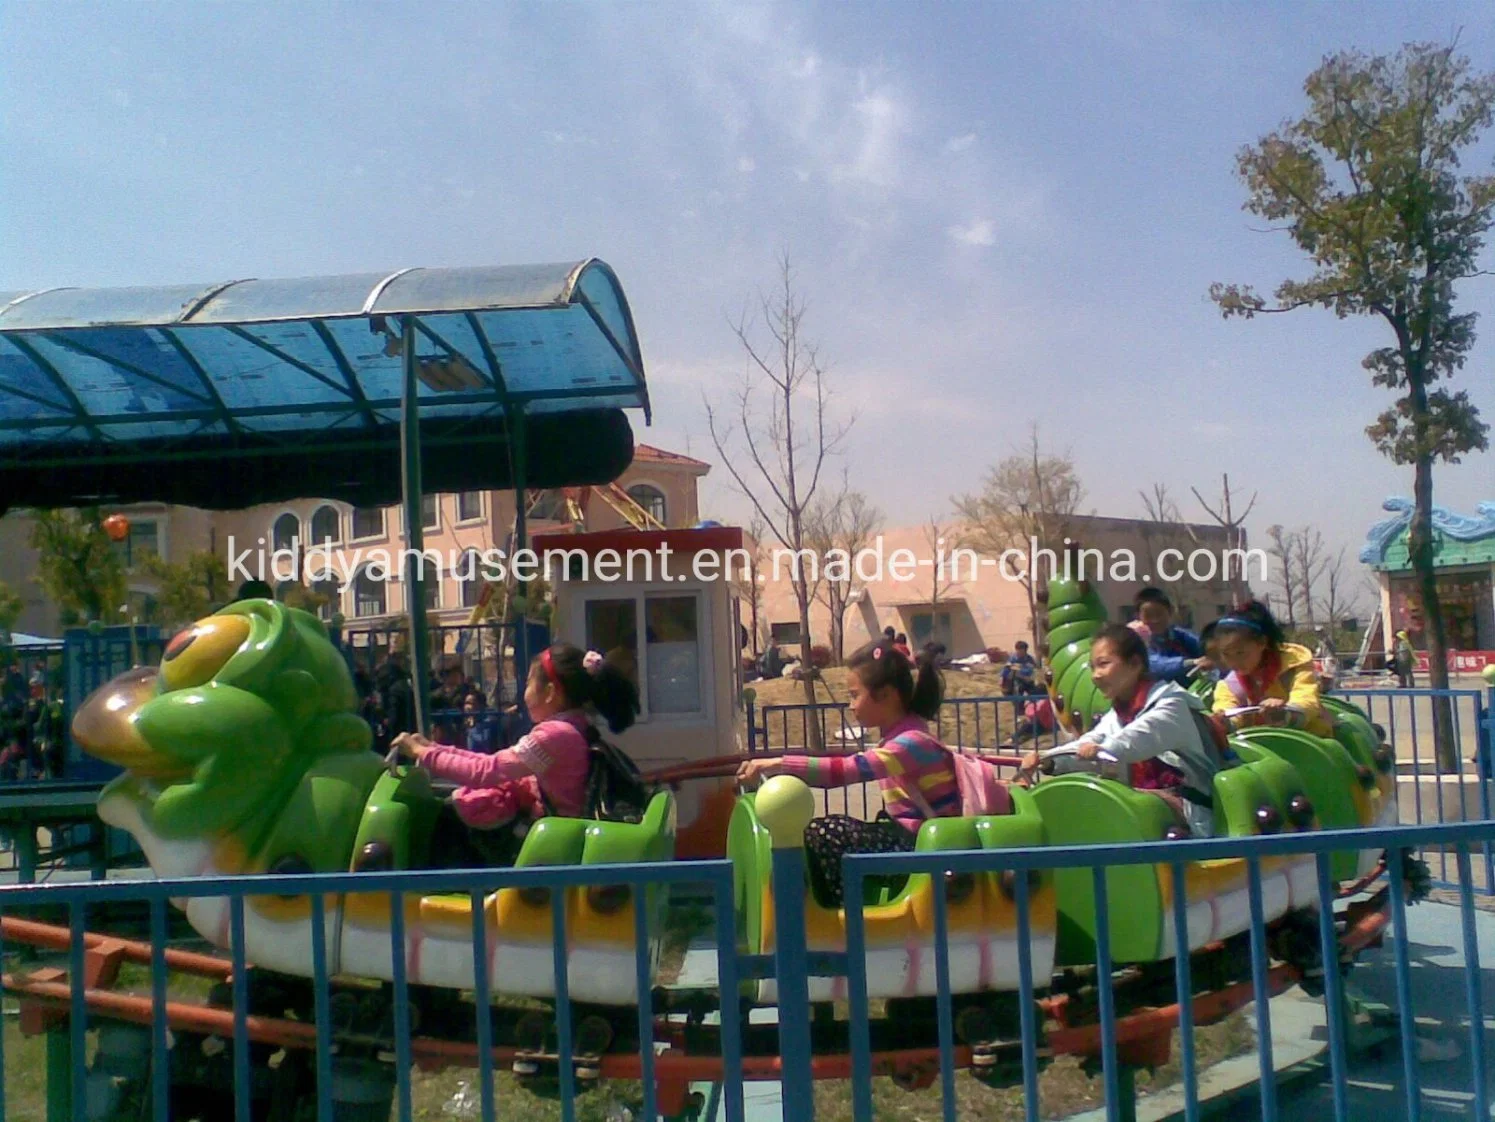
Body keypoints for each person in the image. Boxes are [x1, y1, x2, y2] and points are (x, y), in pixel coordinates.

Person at [736, 638, 956, 907]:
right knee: (829, 832)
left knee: (829, 832)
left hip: (926, 848)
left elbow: (848, 770)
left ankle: (837, 917)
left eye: (854, 695)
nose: (850, 705)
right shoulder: (902, 736)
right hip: (910, 840)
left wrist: (778, 764)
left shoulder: (911, 743)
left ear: (886, 694)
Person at [395, 643, 639, 867]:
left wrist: (423, 753)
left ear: (550, 692)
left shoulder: (554, 735)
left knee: (447, 821)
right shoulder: (575, 726)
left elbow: (486, 771)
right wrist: (432, 749)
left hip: (553, 845)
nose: (524, 694)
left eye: (528, 684)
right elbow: (489, 762)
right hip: (557, 835)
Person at [1021, 624, 1222, 836]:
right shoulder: (1118, 713)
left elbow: (1133, 741)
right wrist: (1048, 759)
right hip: (1141, 805)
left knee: (1116, 812)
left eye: (1103, 664)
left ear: (1135, 663)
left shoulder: (1170, 705)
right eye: (1092, 667)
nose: (1095, 675)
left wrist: (1100, 749)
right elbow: (1092, 739)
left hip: (1189, 816)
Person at [1211, 601, 1332, 737]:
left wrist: (1286, 712)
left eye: (1241, 653)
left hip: (1309, 738)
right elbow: (1226, 707)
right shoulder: (1230, 684)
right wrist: (1223, 722)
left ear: (1262, 642)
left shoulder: (1293, 666)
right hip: (1259, 743)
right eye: (1226, 654)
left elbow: (1306, 696)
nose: (1234, 662)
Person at [1134, 588, 1209, 686]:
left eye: (1159, 614)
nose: (1155, 620)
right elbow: (1154, 664)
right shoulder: (1136, 641)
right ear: (1138, 616)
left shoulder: (1181, 636)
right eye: (1148, 616)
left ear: (1170, 612)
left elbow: (1204, 647)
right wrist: (1191, 662)